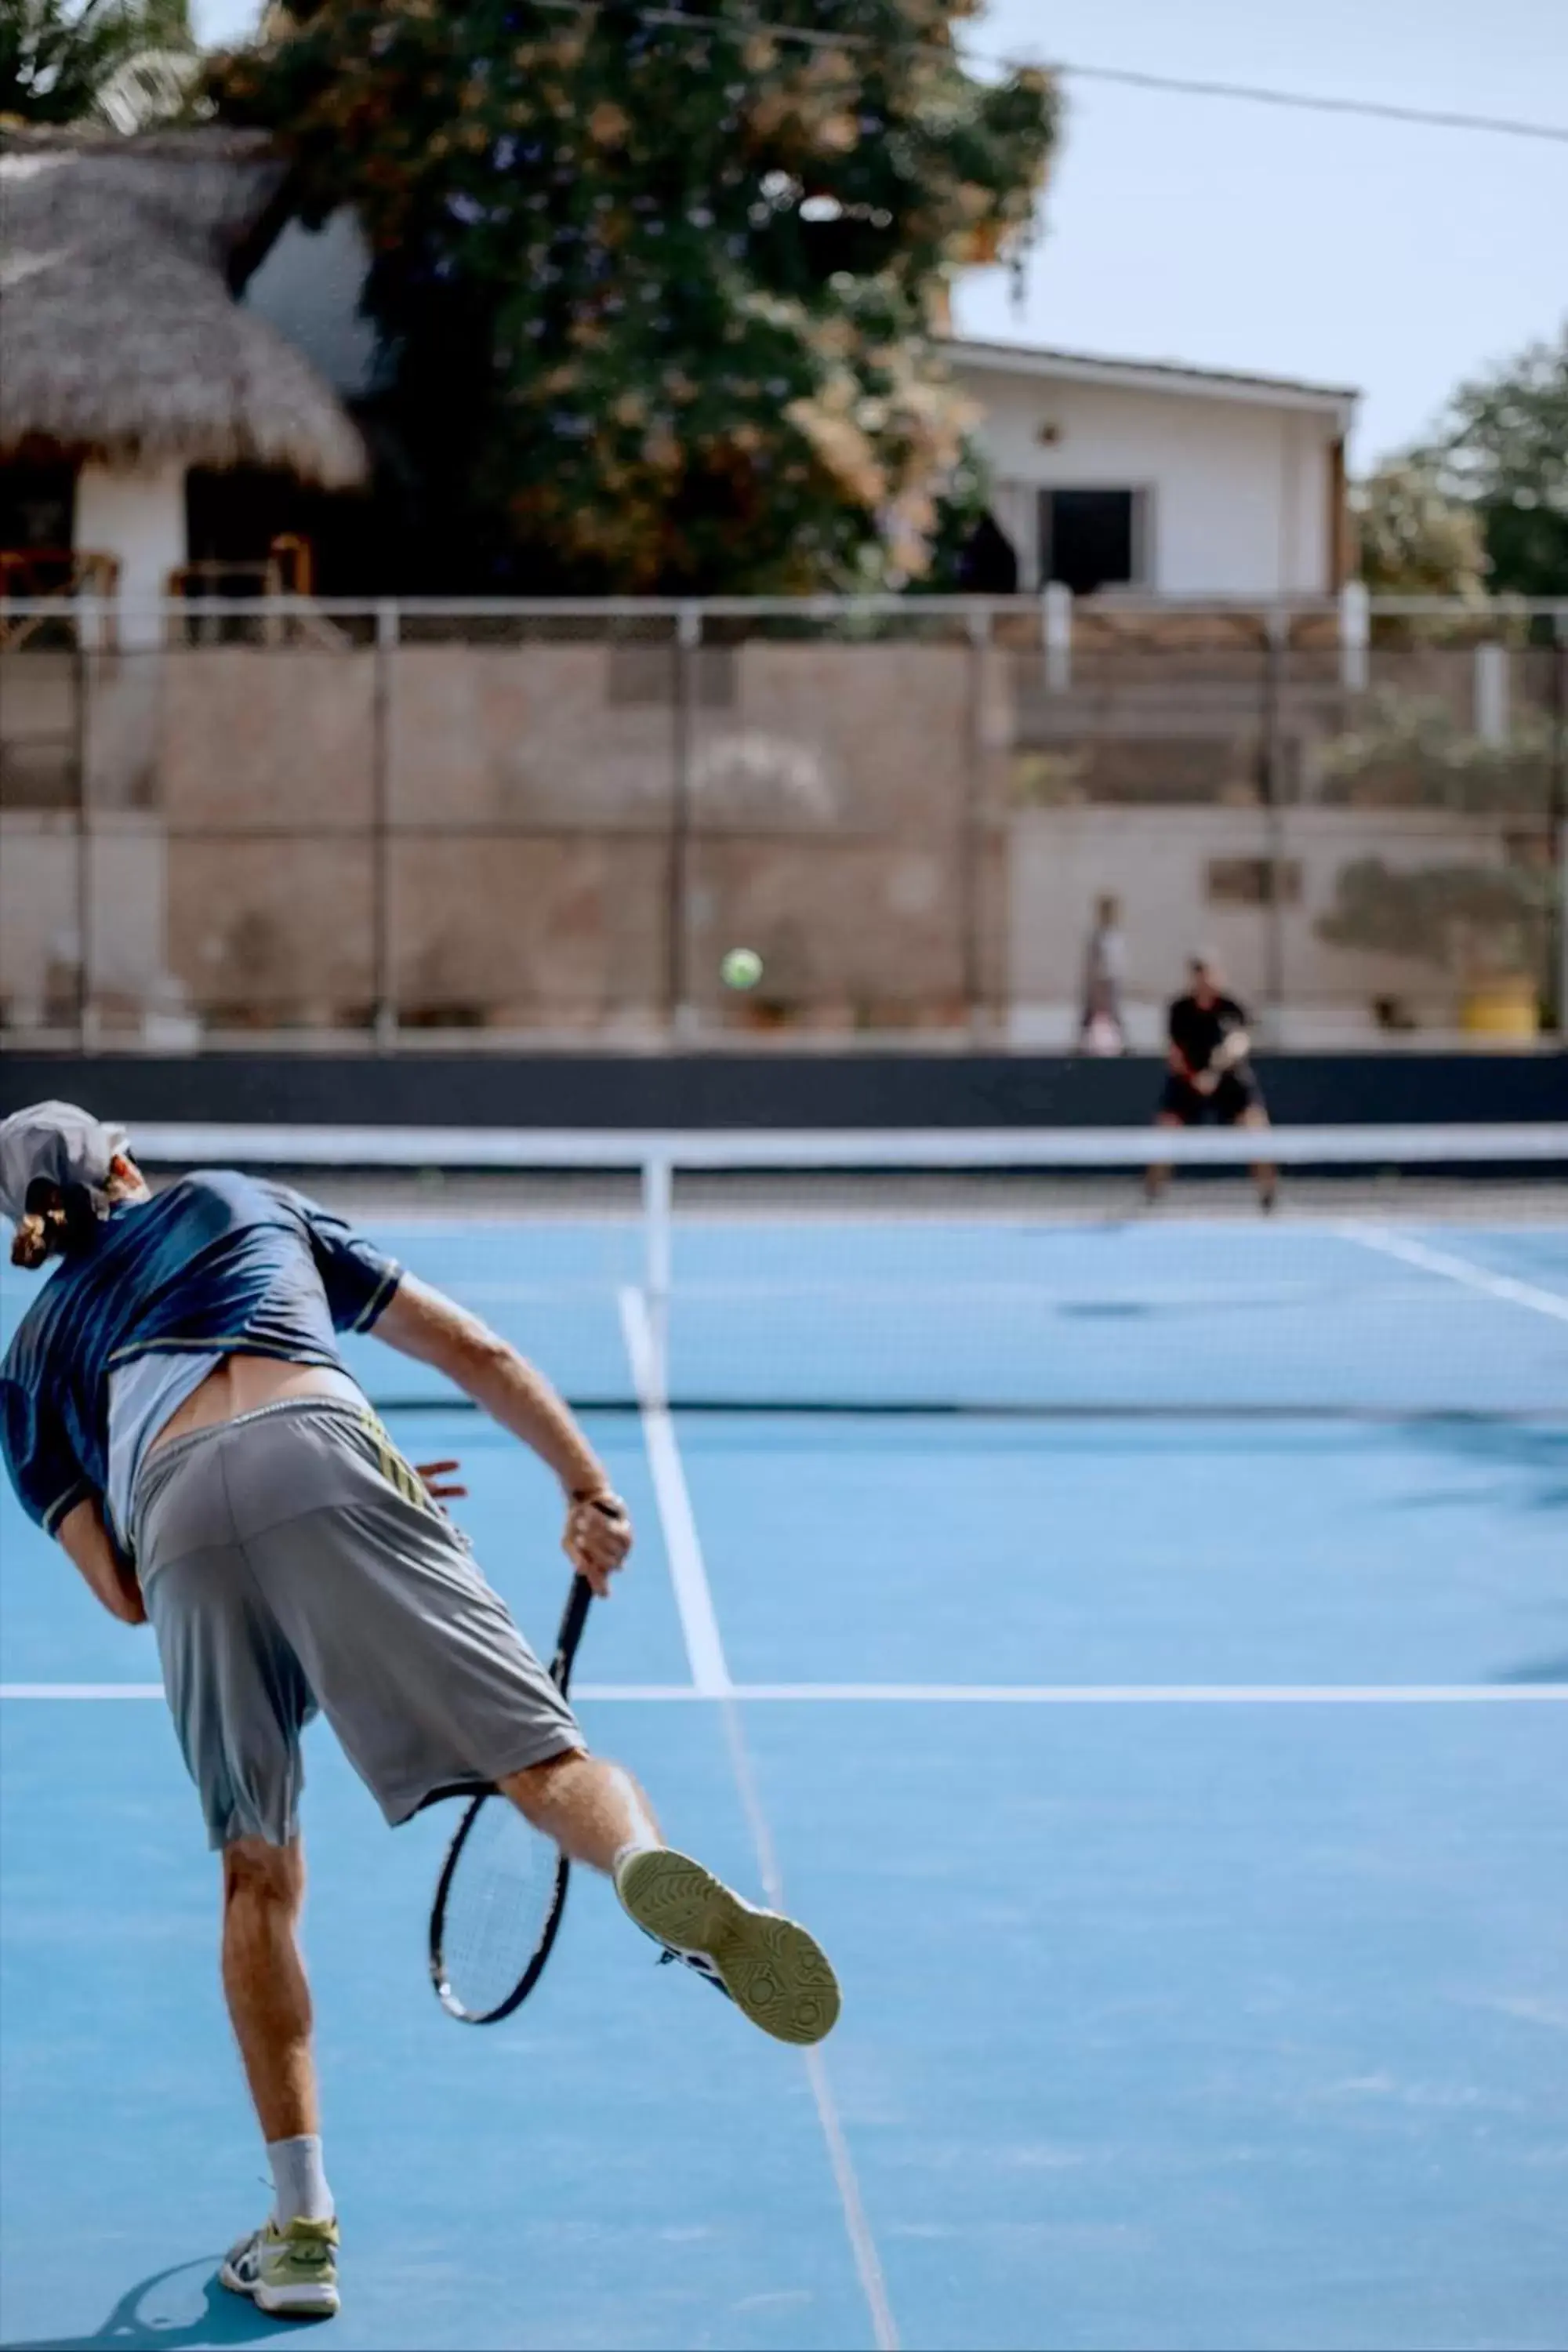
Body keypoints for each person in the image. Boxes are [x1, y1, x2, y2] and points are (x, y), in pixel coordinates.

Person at [0, 1103, 840, 2322]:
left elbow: (122, 1593)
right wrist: (582, 1489)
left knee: (257, 1880)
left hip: (171, 1513)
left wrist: (248, 1513)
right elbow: (476, 1353)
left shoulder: (26, 1366)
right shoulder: (236, 1198)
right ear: (124, 1164)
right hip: (328, 1446)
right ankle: (650, 1870)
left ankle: (300, 2237)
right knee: (545, 1764)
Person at [1146, 957, 1277, 1210]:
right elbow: (1174, 1053)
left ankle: (1268, 1195)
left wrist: (1216, 1071)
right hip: (1188, 1081)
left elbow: (1240, 1043)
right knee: (1164, 1130)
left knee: (1258, 1129)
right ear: (1194, 978)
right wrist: (1196, 1078)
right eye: (1201, 975)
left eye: (1211, 974)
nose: (1207, 980)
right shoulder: (1179, 1009)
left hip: (1231, 1081)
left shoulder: (1232, 1007)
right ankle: (1152, 1192)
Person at [1077, 894, 1127, 1055]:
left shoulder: (1116, 938)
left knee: (1116, 1030)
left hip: (1112, 993)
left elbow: (1116, 971)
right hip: (1097, 993)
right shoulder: (1096, 938)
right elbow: (1094, 970)